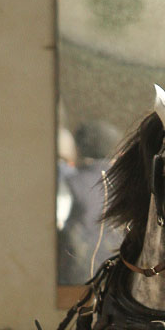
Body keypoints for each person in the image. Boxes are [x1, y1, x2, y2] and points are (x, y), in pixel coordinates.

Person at [58, 120, 123, 285]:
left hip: (76, 277)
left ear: (78, 149)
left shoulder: (70, 182)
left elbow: (57, 222)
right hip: (121, 277)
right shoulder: (128, 184)